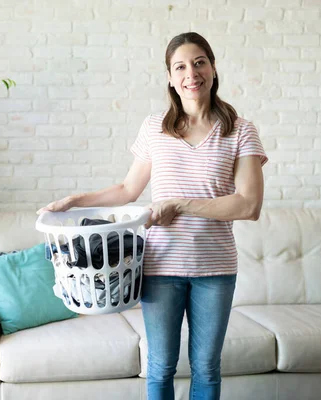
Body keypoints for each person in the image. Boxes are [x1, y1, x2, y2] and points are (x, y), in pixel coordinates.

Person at [37, 32, 267, 400]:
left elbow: (248, 205)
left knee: (207, 368)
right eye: (180, 67)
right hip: (160, 268)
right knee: (160, 367)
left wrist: (181, 204)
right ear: (171, 79)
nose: (191, 73)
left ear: (212, 67)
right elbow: (128, 190)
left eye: (199, 62)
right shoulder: (155, 128)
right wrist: (76, 200)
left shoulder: (240, 131)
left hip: (216, 270)